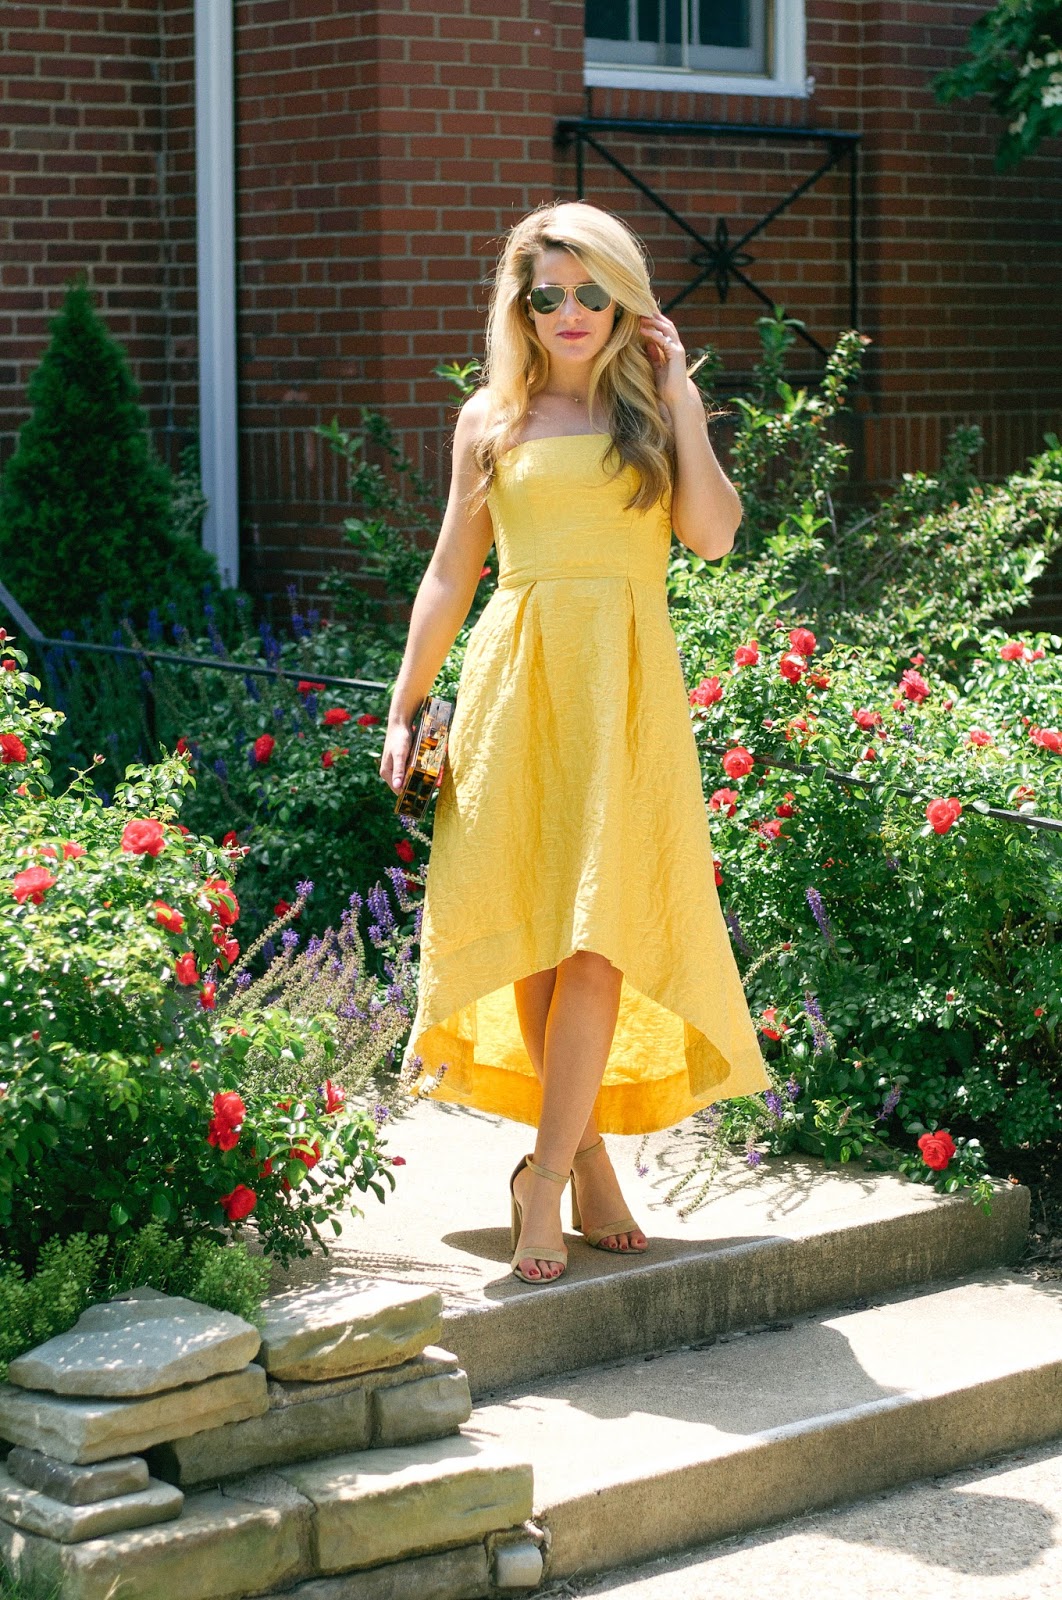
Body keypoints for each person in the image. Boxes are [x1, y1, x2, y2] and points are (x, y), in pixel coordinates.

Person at [379, 201, 770, 1288]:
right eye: (546, 293)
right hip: (517, 687)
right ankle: (585, 1156)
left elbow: (714, 534)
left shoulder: (652, 411)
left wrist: (684, 396)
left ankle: (542, 1179)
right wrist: (404, 709)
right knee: (544, 937)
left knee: (603, 932)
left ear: (625, 299)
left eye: (592, 291)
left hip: (627, 692)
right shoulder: (488, 420)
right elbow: (450, 575)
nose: (569, 312)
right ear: (521, 304)